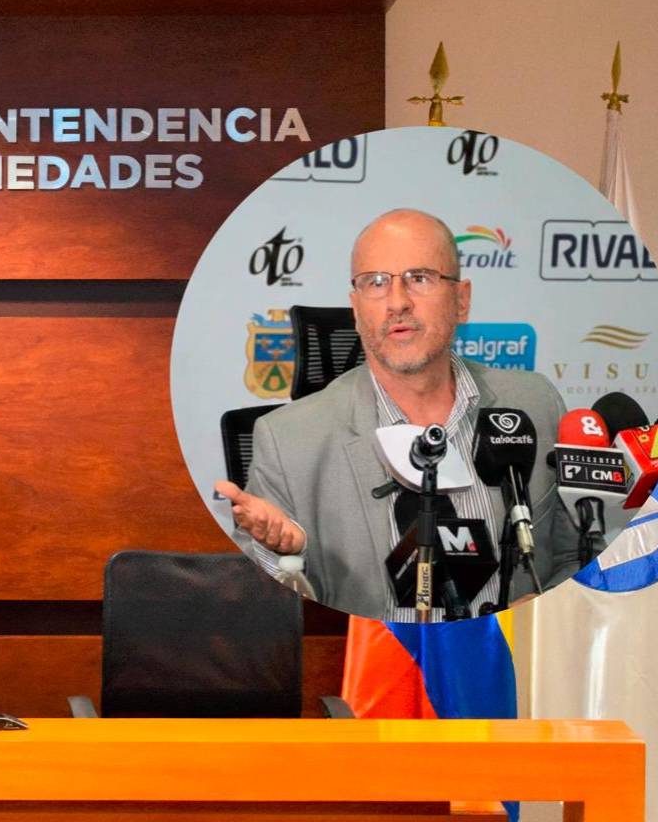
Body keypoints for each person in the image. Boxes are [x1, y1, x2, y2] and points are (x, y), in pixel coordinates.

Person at [214, 208, 579, 621]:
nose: (398, 302)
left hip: (509, 666)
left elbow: (573, 552)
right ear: (355, 308)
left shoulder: (535, 403)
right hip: (375, 673)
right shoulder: (288, 440)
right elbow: (257, 607)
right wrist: (285, 556)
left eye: (419, 278)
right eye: (376, 282)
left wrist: (547, 608)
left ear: (462, 301)